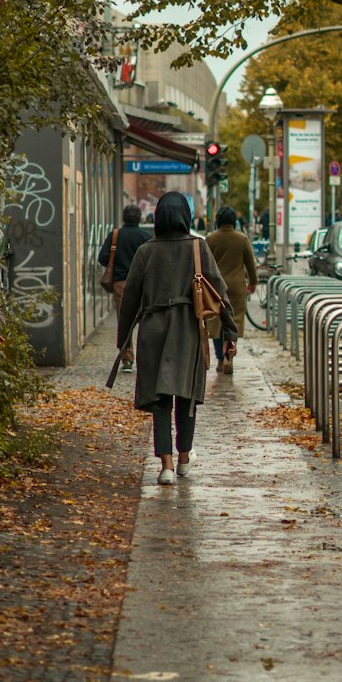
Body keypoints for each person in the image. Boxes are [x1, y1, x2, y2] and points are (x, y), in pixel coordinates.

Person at [116, 191, 237, 485]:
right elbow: (219, 292)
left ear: (157, 217)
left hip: (153, 330)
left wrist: (124, 341)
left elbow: (129, 298)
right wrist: (230, 332)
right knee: (186, 397)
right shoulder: (198, 247)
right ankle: (184, 459)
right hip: (187, 331)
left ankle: (166, 466)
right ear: (186, 215)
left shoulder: (146, 251)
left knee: (160, 401)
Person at [97, 204, 152, 371]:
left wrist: (115, 265)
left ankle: (127, 357)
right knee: (146, 319)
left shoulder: (115, 235)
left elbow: (102, 257)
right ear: (139, 218)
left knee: (125, 321)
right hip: (142, 284)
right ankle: (148, 356)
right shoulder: (146, 236)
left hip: (120, 283)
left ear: (123, 217)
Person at [205, 205, 258, 374]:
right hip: (236, 287)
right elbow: (251, 264)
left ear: (218, 221)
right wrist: (253, 282)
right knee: (232, 323)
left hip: (216, 288)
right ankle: (230, 357)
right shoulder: (242, 239)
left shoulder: (210, 239)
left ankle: (220, 359)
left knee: (217, 323)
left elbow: (205, 264)